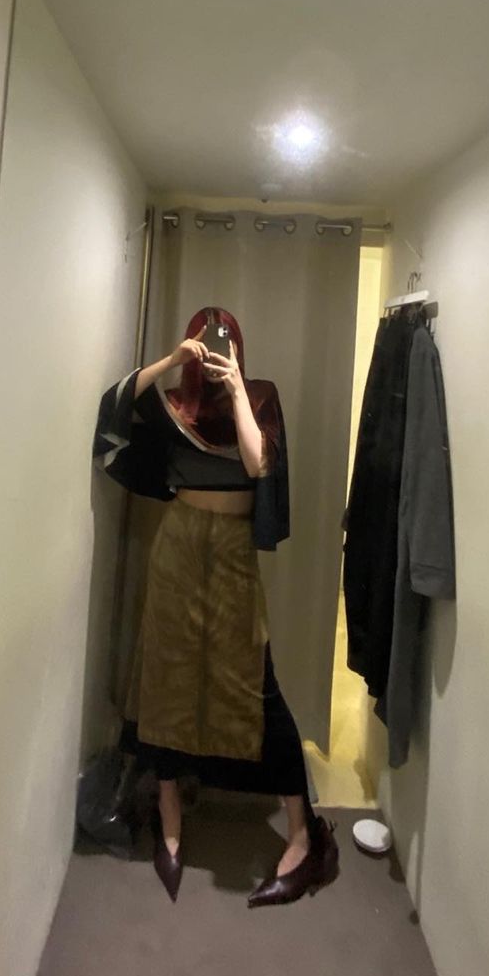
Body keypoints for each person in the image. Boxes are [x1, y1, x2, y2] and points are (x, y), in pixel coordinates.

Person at [93, 305, 339, 907]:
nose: (213, 351)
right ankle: (169, 815)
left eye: (224, 341)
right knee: (166, 680)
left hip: (231, 554)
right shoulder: (173, 402)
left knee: (257, 687)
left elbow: (258, 463)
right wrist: (170, 361)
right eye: (203, 342)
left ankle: (304, 836)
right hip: (177, 549)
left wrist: (235, 394)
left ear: (240, 348)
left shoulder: (260, 395)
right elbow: (113, 411)